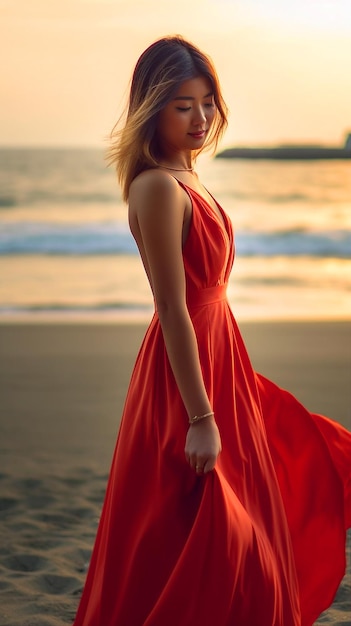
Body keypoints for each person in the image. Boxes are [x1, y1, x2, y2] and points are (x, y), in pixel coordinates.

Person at [73, 35, 351, 626]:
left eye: (206, 102)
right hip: (184, 377)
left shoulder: (189, 175)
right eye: (181, 105)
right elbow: (173, 308)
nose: (199, 118)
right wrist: (200, 418)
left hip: (221, 355)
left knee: (260, 505)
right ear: (152, 108)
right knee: (209, 527)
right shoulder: (156, 185)